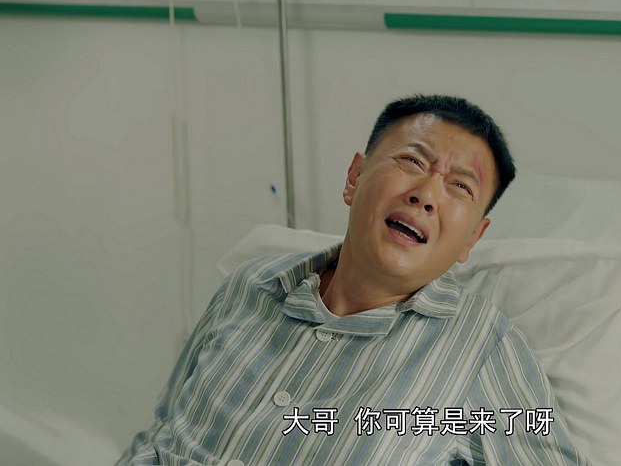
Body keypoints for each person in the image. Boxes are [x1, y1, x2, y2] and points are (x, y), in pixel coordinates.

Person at [117, 94, 590, 465]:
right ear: (354, 177)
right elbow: (162, 430)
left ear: (473, 238)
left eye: (460, 186)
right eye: (413, 161)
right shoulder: (251, 284)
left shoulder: (482, 348)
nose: (426, 194)